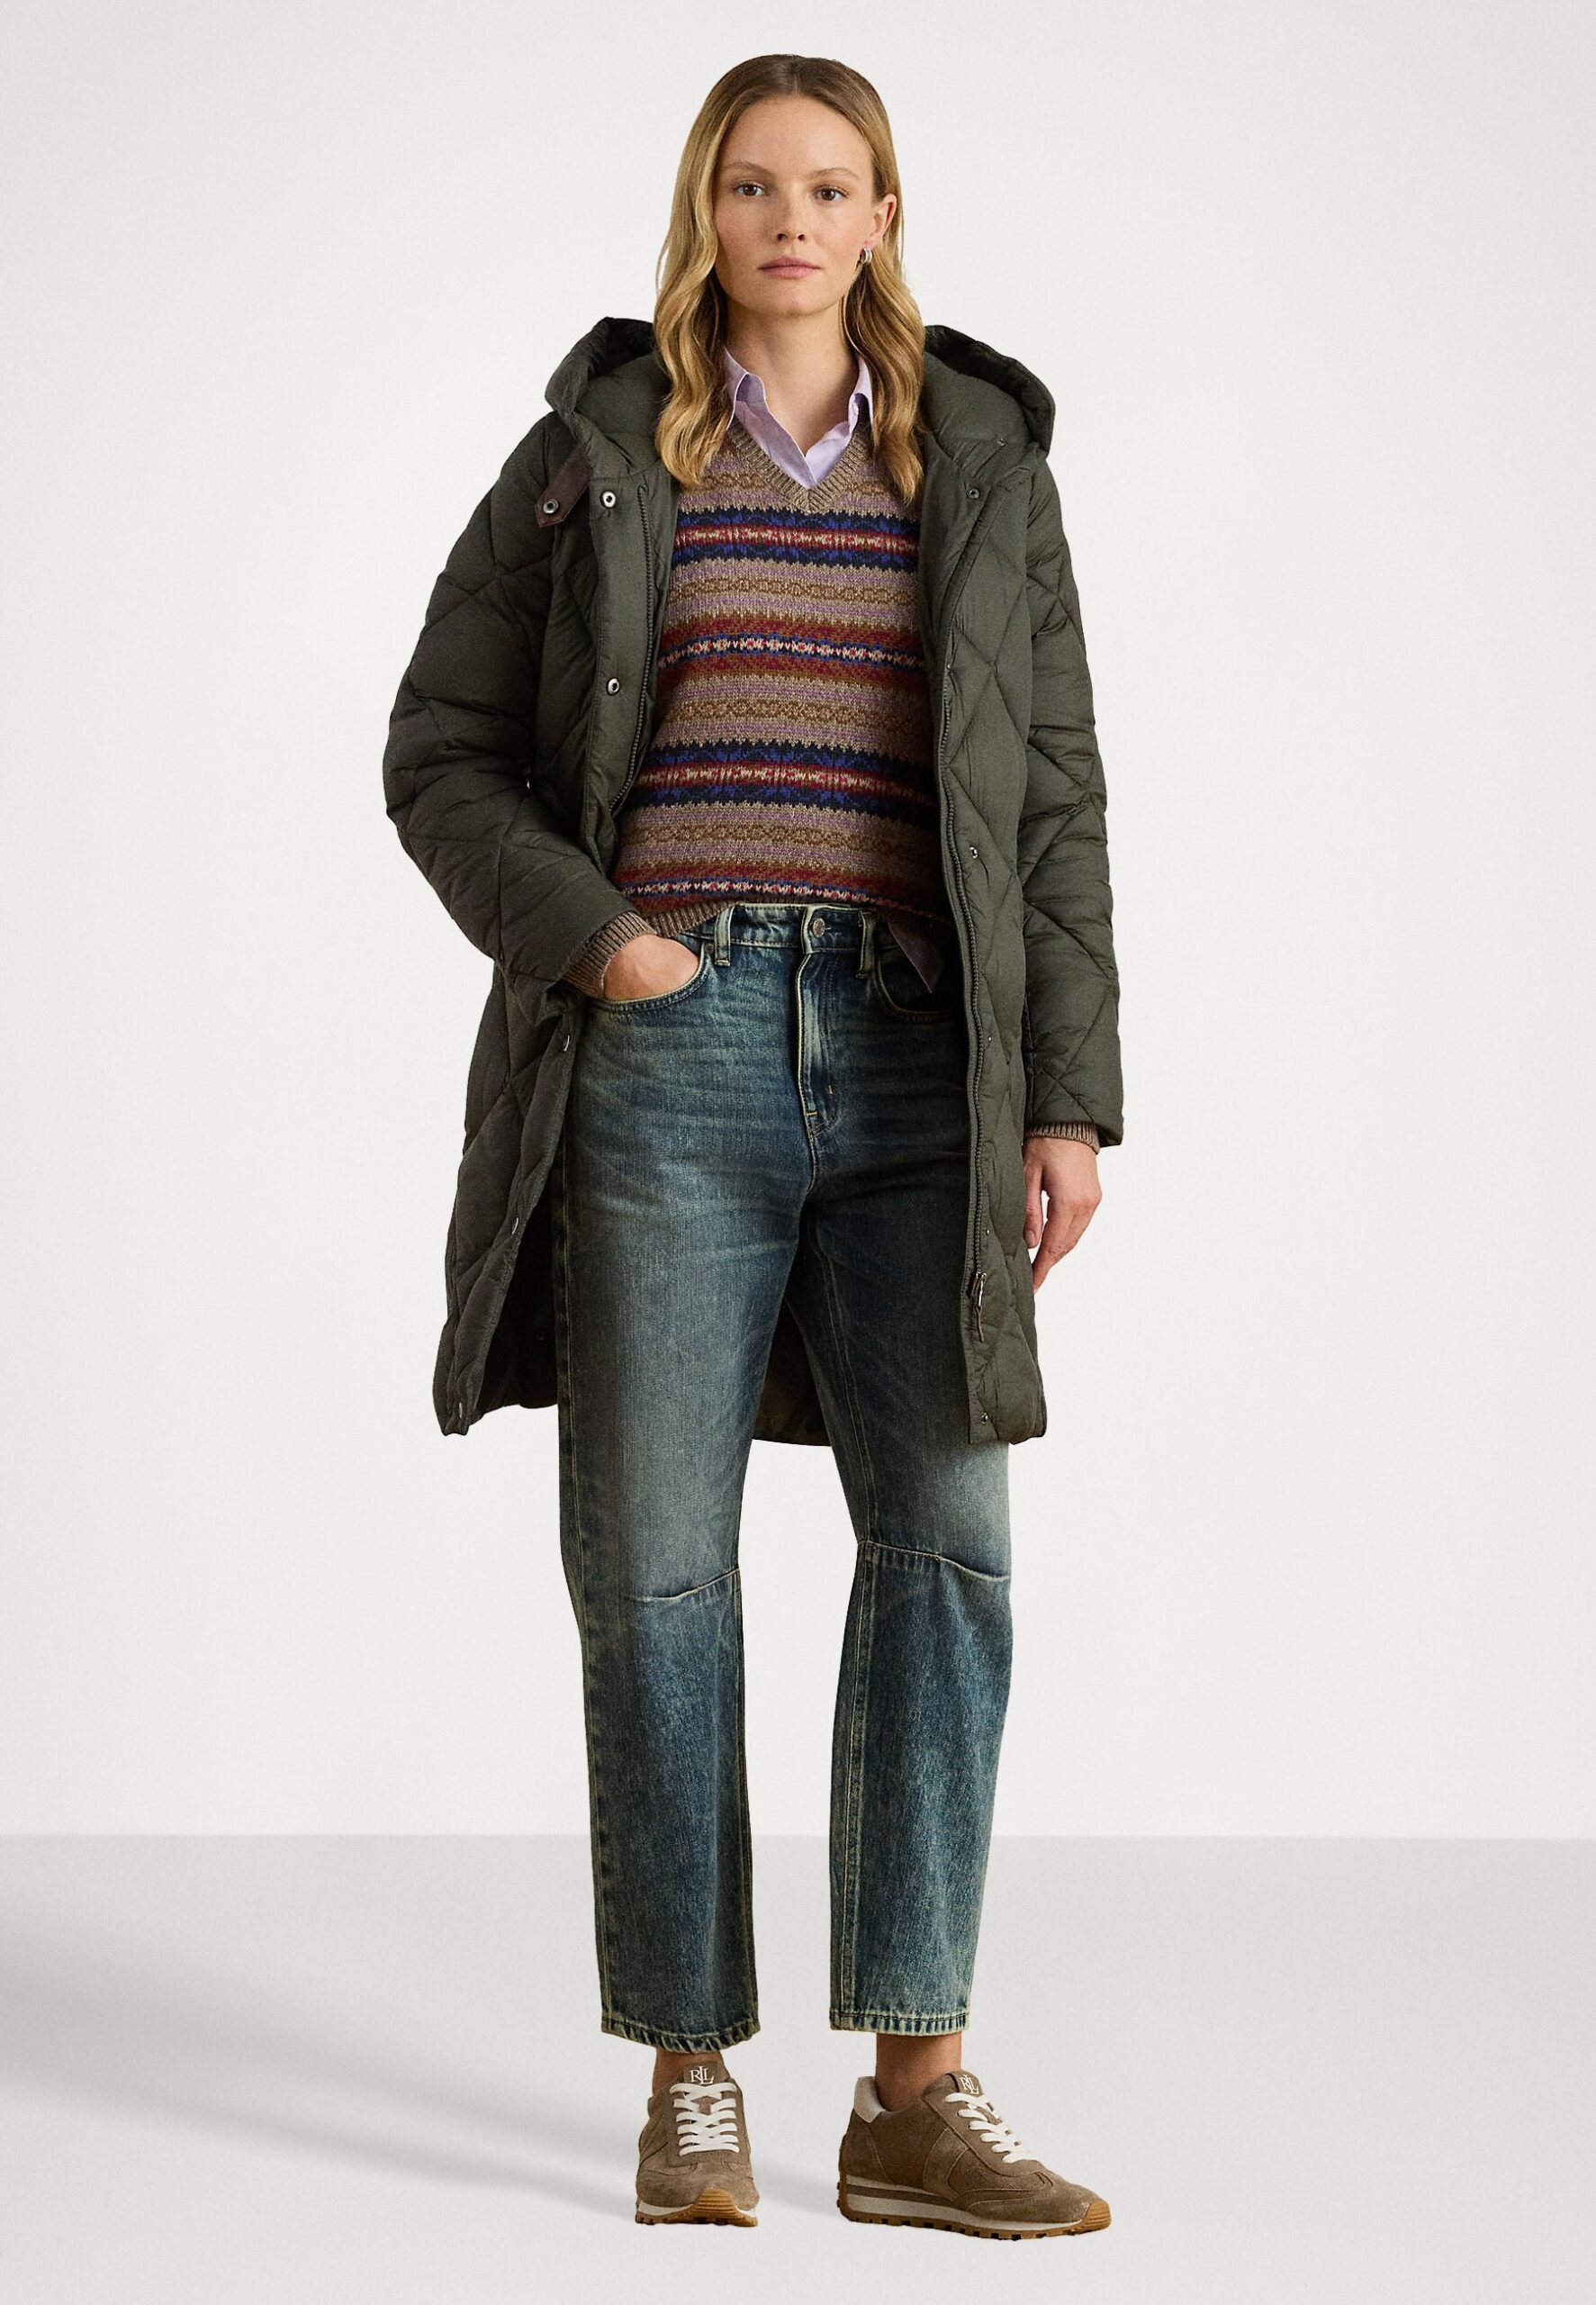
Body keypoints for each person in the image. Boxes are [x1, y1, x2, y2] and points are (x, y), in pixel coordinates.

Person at [383, 52, 1123, 2242]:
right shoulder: (592, 454)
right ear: (702, 211)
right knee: (655, 1565)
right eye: (749, 184)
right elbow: (438, 750)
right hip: (669, 1051)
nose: (789, 219)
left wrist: (1066, 1091)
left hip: (916, 1064)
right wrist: (605, 944)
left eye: (829, 183)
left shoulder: (976, 459)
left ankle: (916, 2088)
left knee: (948, 1550)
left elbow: (1051, 796)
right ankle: (687, 2071)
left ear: (883, 213)